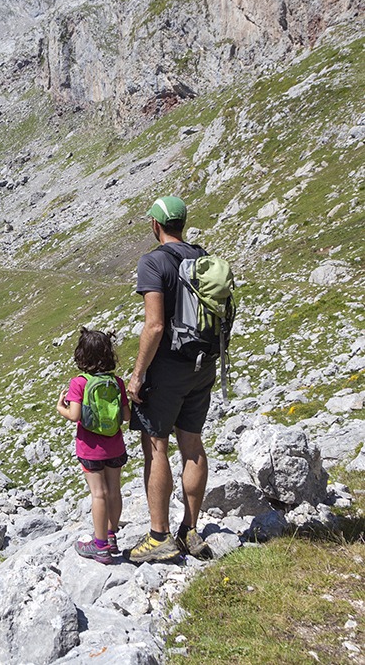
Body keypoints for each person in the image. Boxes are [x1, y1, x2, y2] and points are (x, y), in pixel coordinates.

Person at [126, 196, 215, 563]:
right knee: (192, 444)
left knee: (156, 446)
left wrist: (138, 375)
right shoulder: (203, 257)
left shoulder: (154, 262)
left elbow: (155, 325)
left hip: (168, 368)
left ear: (156, 225)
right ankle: (190, 531)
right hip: (203, 364)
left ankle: (159, 536)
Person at [57, 327, 131, 564]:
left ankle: (99, 546)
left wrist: (60, 407)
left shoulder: (79, 382)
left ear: (82, 355)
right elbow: (126, 416)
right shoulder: (116, 382)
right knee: (114, 490)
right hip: (115, 446)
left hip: (90, 449)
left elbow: (74, 415)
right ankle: (111, 536)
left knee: (99, 494)